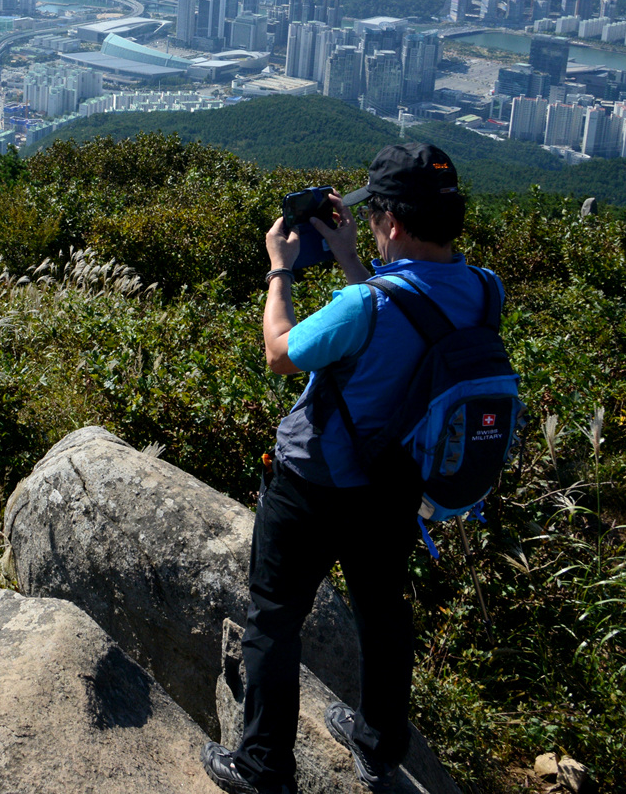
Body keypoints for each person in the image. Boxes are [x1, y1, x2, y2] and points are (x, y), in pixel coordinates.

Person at [201, 141, 502, 794]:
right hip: (396, 485)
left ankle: (264, 768)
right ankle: (377, 745)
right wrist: (347, 257)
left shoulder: (364, 305)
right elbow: (408, 324)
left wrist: (279, 269)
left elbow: (281, 352)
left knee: (275, 617)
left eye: (372, 220)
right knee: (383, 612)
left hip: (313, 483)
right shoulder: (484, 289)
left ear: (390, 221)